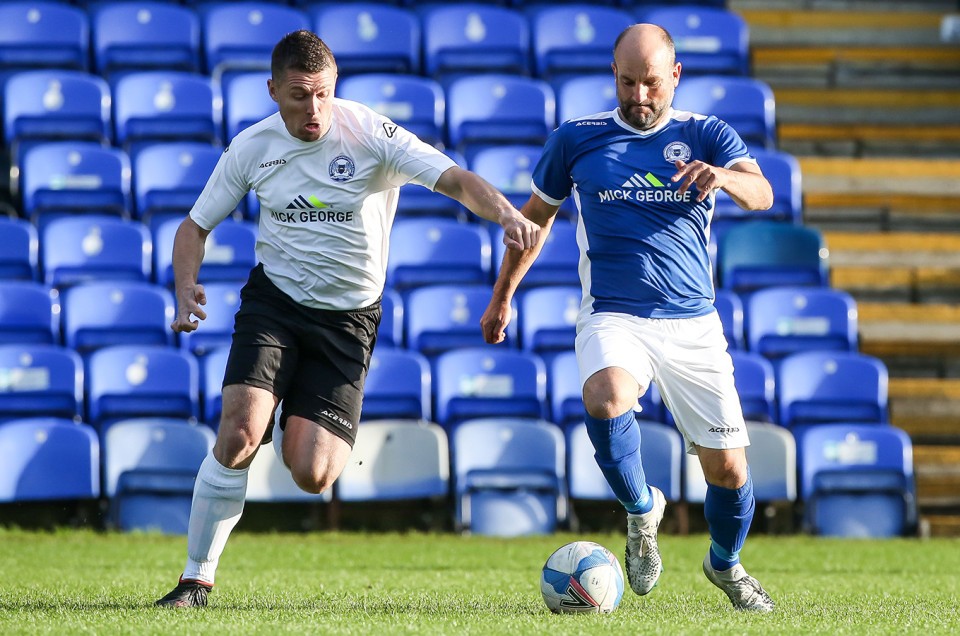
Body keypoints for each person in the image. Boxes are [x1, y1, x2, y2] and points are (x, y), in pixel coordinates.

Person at [155, 30, 541, 608]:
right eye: (298, 96)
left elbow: (456, 180)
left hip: (348, 321)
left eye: (323, 94)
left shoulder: (371, 133)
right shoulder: (252, 147)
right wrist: (186, 286)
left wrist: (507, 214)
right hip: (276, 304)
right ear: (272, 90)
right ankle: (195, 579)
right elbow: (194, 227)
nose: (313, 110)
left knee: (312, 472)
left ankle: (285, 407)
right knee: (238, 431)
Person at [480, 24, 776, 612]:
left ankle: (725, 565)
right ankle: (643, 513)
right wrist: (502, 295)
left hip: (693, 323)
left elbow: (763, 193)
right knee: (605, 398)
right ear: (613, 75)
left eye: (650, 83)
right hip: (614, 313)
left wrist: (724, 177)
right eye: (627, 82)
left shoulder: (705, 134)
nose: (639, 96)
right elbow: (533, 223)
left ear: (675, 76)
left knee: (731, 472)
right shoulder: (578, 140)